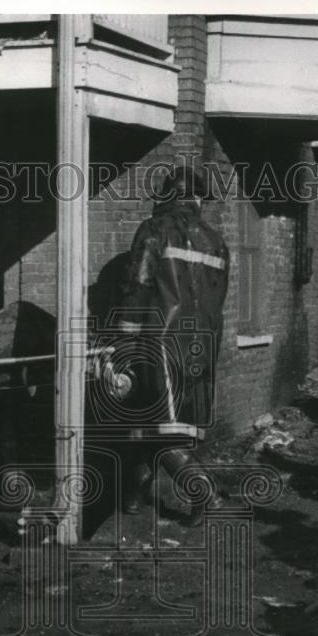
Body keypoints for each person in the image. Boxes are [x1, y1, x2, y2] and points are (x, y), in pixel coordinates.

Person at [108, 164, 230, 522]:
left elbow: (137, 286)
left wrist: (124, 343)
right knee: (159, 423)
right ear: (193, 198)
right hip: (201, 346)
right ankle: (132, 496)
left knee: (161, 426)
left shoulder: (153, 230)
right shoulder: (216, 241)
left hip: (158, 343)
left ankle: (202, 492)